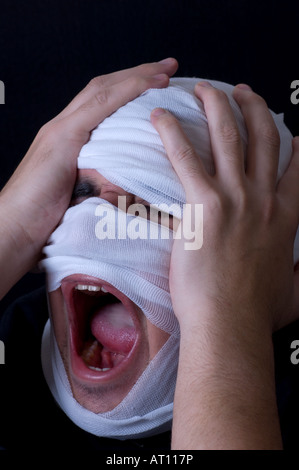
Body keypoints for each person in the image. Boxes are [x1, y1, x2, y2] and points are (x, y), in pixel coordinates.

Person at [0, 58, 298, 450]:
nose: (94, 221)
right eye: (82, 193)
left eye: (155, 206)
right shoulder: (14, 346)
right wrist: (11, 229)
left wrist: (228, 317)